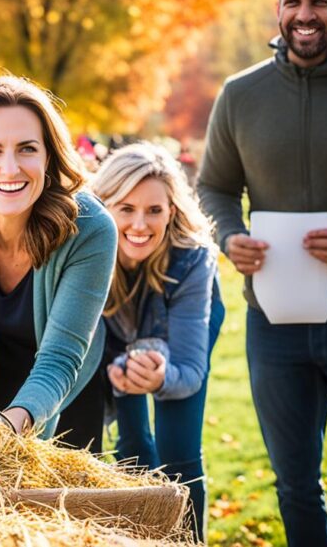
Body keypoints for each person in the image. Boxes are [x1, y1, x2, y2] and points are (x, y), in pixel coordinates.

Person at [197, 0, 327, 544]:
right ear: (278, 10)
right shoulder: (240, 94)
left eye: (321, 3)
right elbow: (212, 188)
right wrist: (230, 236)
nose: (305, 15)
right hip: (274, 326)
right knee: (295, 483)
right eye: (294, 3)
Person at [0, 76, 117, 442]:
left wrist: (9, 431)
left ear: (48, 157)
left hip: (66, 389)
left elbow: (59, 358)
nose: (10, 168)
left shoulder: (92, 230)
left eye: (27, 149)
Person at [93, 143, 223, 542]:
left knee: (179, 450)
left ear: (172, 211)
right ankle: (145, 538)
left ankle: (187, 540)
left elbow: (190, 371)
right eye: (126, 209)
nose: (140, 224)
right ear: (105, 208)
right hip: (118, 336)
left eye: (154, 210)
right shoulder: (88, 248)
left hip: (184, 330)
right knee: (132, 447)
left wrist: (163, 377)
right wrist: (118, 373)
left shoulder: (191, 258)